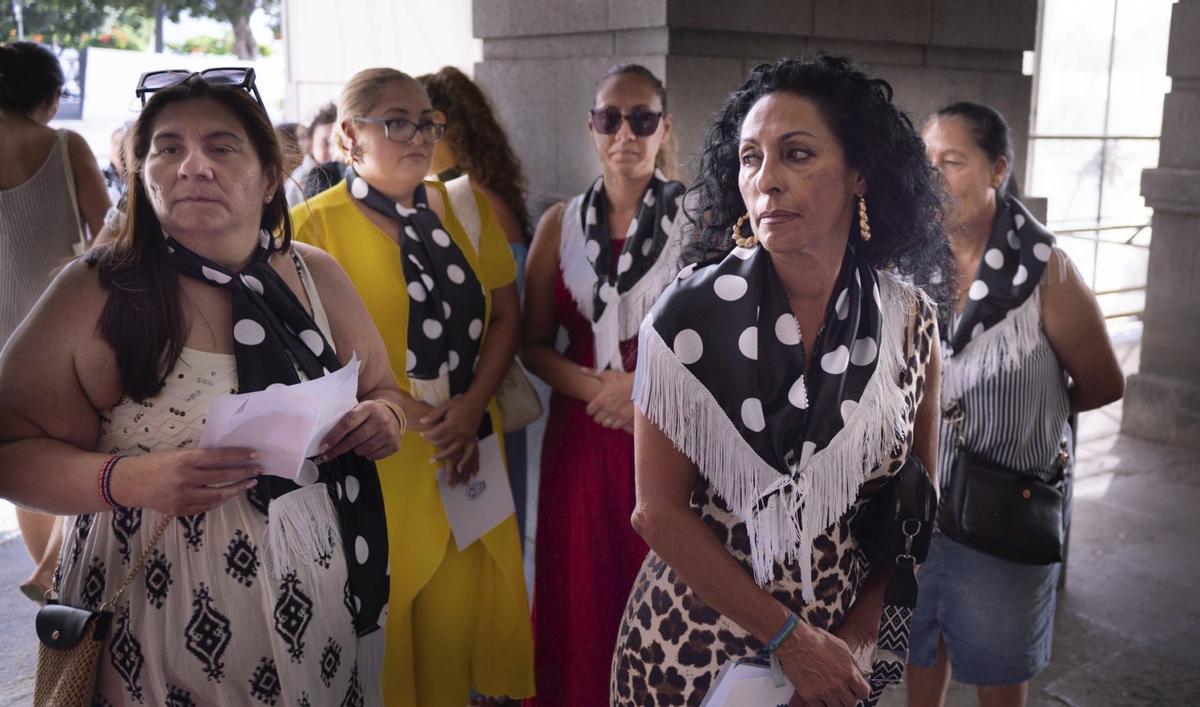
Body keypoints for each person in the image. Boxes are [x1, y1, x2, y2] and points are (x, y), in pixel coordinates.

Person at [0, 70, 404, 705]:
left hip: (318, 599)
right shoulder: (95, 289)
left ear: (270, 176)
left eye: (221, 146)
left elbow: (384, 390)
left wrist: (385, 420)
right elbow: (9, 450)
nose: (193, 166)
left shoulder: (312, 273)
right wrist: (132, 480)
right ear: (141, 171)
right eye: (167, 148)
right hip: (152, 612)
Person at [609, 55, 951, 706]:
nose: (766, 181)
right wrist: (792, 639)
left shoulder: (912, 323)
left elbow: (915, 510)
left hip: (842, 657)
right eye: (749, 158)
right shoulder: (686, 316)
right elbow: (656, 512)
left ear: (859, 174)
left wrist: (852, 642)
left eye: (796, 154)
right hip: (694, 651)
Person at [290, 67, 534, 707]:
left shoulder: (465, 207)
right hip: (379, 454)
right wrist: (393, 411)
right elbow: (306, 354)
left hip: (465, 444)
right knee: (385, 634)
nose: (420, 135)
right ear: (350, 134)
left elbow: (507, 316)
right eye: (398, 121)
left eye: (428, 121)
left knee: (452, 637)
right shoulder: (312, 227)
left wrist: (472, 405)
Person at [906, 102, 1125, 707]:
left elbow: (1104, 383)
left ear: (997, 168)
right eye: (927, 162)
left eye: (952, 161)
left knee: (1000, 668)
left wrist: (1031, 413)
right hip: (917, 501)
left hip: (1003, 506)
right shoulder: (914, 260)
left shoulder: (1047, 272)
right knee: (919, 646)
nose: (935, 177)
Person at [520, 63, 685, 707]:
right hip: (584, 435)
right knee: (582, 588)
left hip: (668, 433)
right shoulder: (559, 225)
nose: (626, 133)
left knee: (659, 582)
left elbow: (724, 344)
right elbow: (533, 343)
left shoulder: (698, 223)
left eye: (642, 119)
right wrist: (599, 390)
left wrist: (642, 388)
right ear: (592, 127)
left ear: (663, 128)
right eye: (611, 118)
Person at [0, 41, 111, 604]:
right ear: (48, 95)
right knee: (84, 448)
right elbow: (110, 231)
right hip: (59, 322)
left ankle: (50, 572)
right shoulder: (64, 144)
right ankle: (58, 569)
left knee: (19, 455)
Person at [418, 65, 535, 539]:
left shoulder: (470, 204)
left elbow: (502, 315)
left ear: (442, 124)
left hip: (477, 395)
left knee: (484, 535)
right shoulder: (482, 196)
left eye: (416, 122)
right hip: (478, 397)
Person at [286, 102, 338, 206]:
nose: (333, 150)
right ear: (312, 145)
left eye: (338, 142)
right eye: (325, 143)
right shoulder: (299, 181)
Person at [102, 122, 131, 205]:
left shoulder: (140, 179)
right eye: (116, 143)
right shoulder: (100, 176)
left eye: (124, 144)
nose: (119, 149)